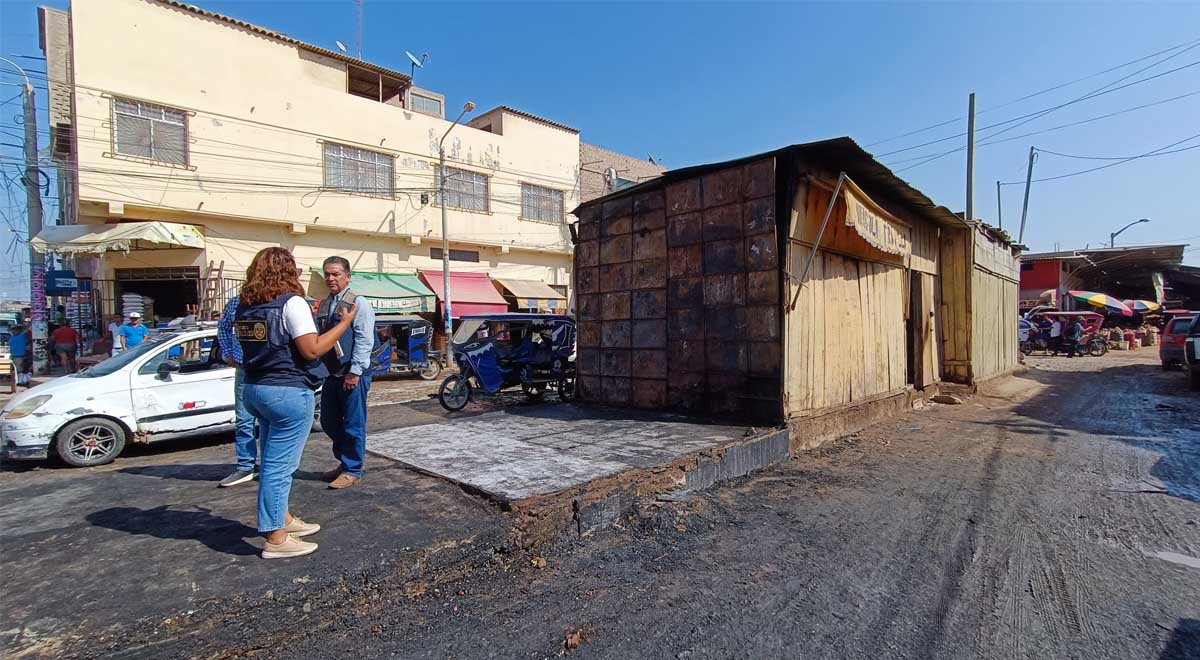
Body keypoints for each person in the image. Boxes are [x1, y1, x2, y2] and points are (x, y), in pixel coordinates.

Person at [236, 247, 356, 559]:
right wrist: (343, 325)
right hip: (286, 391)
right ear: (288, 271)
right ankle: (275, 537)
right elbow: (312, 349)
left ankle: (283, 519)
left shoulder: (245, 306)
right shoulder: (291, 303)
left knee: (271, 458)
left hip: (254, 388)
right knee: (279, 467)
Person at [316, 256, 376, 490]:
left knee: (353, 422)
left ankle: (353, 469)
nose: (331, 278)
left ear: (347, 276)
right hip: (331, 372)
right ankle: (345, 461)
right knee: (329, 421)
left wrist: (355, 371)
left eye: (336, 274)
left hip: (352, 372)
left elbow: (364, 338)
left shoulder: (357, 303)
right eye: (327, 274)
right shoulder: (324, 303)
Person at [216, 294, 259, 488]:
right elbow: (224, 326)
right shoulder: (236, 302)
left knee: (270, 421)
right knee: (244, 420)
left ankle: (271, 466)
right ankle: (245, 466)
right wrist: (227, 352)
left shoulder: (277, 299)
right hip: (243, 369)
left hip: (270, 370)